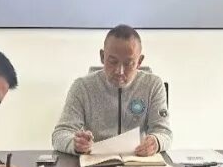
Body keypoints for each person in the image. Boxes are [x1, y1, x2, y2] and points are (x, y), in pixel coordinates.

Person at [52, 25, 172, 156]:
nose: (119, 71)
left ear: (139, 61)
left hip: (138, 161)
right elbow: (60, 134)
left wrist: (156, 141)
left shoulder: (153, 86)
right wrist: (74, 143)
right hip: (95, 162)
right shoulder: (82, 87)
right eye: (113, 62)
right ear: (102, 56)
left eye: (128, 63)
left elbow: (164, 133)